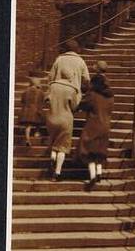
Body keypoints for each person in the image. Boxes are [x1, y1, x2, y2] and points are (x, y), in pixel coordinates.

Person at [46, 39, 90, 181]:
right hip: (70, 100)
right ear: (77, 49)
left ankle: (52, 157)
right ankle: (58, 171)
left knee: (54, 141)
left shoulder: (59, 59)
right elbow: (86, 80)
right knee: (63, 144)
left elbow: (50, 77)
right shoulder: (81, 61)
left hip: (55, 103)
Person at [78, 61, 114, 189]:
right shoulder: (110, 96)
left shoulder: (92, 95)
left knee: (88, 149)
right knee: (100, 150)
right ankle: (99, 173)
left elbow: (83, 105)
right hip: (106, 124)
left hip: (93, 123)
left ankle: (92, 175)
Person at [19, 72, 45, 147]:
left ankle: (27, 139)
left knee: (28, 126)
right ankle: (37, 133)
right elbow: (42, 102)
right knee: (38, 123)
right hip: (36, 110)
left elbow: (22, 101)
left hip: (26, 111)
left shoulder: (25, 91)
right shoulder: (41, 92)